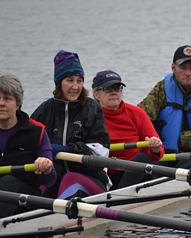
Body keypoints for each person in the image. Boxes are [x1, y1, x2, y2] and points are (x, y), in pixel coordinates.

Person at [31, 50, 111, 200]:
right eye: (70, 80)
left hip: (90, 177)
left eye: (79, 81)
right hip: (54, 176)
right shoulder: (44, 110)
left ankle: (58, 216)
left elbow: (101, 152)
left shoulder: (92, 109)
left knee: (70, 179)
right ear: (59, 83)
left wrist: (66, 150)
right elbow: (27, 144)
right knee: (36, 184)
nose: (75, 87)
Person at [138, 45, 191, 168]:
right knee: (147, 164)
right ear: (173, 68)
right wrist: (154, 142)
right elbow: (140, 118)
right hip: (165, 153)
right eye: (183, 68)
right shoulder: (162, 89)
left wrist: (179, 139)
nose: (188, 73)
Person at [92, 70, 165, 189]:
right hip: (105, 174)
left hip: (135, 174)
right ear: (96, 94)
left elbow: (158, 153)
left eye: (117, 88)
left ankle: (117, 199)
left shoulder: (136, 113)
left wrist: (155, 149)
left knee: (142, 158)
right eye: (108, 89)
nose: (114, 93)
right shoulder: (90, 117)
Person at [0, 73, 56, 218]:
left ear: (17, 104)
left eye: (7, 99)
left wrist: (46, 167)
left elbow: (50, 180)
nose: (1, 103)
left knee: (8, 181)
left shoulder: (36, 131)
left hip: (27, 201)